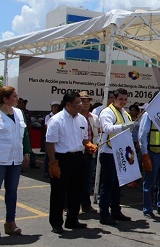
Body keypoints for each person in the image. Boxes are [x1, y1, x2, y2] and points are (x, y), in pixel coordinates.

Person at [46, 91, 97, 233]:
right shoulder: (56, 120)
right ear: (68, 104)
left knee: (77, 190)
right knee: (59, 192)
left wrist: (89, 146)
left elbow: (84, 139)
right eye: (78, 102)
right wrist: (53, 163)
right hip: (62, 159)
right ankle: (56, 223)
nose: (81, 105)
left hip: (79, 158)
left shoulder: (81, 119)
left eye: (81, 102)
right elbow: (50, 143)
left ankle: (72, 220)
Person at [98, 88, 135, 225]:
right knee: (107, 185)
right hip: (108, 153)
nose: (123, 102)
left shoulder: (124, 113)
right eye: (121, 99)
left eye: (125, 99)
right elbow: (107, 128)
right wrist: (123, 126)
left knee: (117, 185)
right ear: (114, 98)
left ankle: (115, 211)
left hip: (120, 152)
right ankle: (104, 214)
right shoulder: (107, 112)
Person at [0, 86, 29, 236]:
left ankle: (10, 223)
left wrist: (26, 152)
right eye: (14, 96)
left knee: (12, 192)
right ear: (5, 99)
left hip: (15, 160)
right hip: (0, 160)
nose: (17, 99)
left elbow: (24, 134)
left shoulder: (18, 113)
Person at [79, 91, 100, 214]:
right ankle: (70, 205)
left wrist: (95, 146)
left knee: (88, 180)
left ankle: (86, 204)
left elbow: (97, 134)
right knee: (75, 180)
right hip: (78, 152)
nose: (86, 104)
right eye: (83, 101)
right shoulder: (75, 117)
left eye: (87, 101)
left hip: (90, 152)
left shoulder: (94, 118)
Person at [17, 98, 38, 169]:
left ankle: (32, 162)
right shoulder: (15, 112)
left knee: (28, 148)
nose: (22, 104)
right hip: (18, 135)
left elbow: (28, 123)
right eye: (20, 103)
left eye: (23, 103)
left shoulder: (26, 112)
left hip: (26, 133)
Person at [43, 101, 61, 178]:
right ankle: (47, 171)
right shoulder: (48, 117)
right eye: (54, 106)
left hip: (58, 139)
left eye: (57, 106)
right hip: (50, 139)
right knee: (48, 156)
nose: (56, 108)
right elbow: (47, 128)